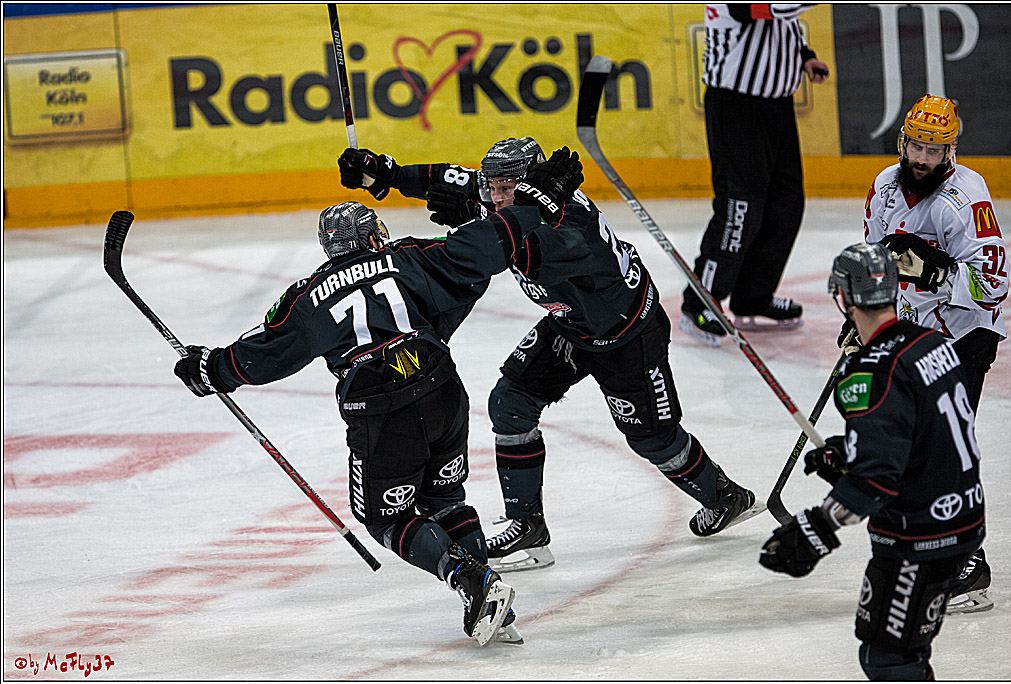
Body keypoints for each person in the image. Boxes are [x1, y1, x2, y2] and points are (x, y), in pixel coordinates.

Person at [338, 137, 763, 574]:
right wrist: (384, 173)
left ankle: (723, 495)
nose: (497, 197)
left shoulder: (570, 228)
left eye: (507, 189)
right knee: (510, 403)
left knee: (652, 438)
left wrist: (473, 224)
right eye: (493, 188)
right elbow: (445, 178)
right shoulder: (514, 196)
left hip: (626, 336)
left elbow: (506, 250)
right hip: (571, 326)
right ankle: (527, 526)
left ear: (530, 184)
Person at [169, 191, 575, 646]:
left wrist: (210, 368)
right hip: (443, 388)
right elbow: (475, 260)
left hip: (381, 409)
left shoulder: (307, 295)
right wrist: (530, 205)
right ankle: (491, 598)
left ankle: (472, 581)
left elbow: (264, 353)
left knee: (385, 518)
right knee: (446, 499)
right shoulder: (408, 256)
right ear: (369, 233)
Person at [759, 242, 985, 681]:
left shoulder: (868, 372)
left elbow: (879, 479)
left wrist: (816, 530)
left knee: (890, 659)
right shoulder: (933, 341)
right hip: (964, 518)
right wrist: (852, 452)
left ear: (843, 297)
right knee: (900, 653)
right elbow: (920, 432)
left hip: (921, 536)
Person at [862, 94, 1007, 613]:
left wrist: (940, 272)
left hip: (965, 336)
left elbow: (993, 286)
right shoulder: (883, 189)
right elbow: (875, 263)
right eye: (917, 145)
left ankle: (969, 562)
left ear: (951, 150)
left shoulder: (966, 200)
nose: (923, 157)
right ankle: (934, 546)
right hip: (914, 333)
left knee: (944, 445)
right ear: (904, 142)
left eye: (935, 148)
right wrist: (860, 320)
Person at [680, 3, 830, 346]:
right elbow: (760, 10)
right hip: (737, 108)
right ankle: (701, 302)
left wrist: (804, 56)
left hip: (777, 106)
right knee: (740, 210)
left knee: (786, 206)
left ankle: (753, 296)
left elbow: (784, 24)